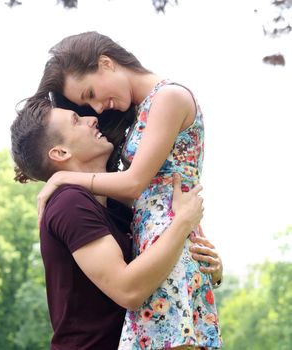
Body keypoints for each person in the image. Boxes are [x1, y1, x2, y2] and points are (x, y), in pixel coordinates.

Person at [33, 31, 223, 349]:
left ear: (105, 63)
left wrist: (63, 178)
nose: (97, 107)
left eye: (91, 92)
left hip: (166, 238)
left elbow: (136, 184)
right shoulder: (143, 111)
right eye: (86, 105)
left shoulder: (169, 97)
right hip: (158, 241)